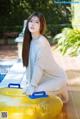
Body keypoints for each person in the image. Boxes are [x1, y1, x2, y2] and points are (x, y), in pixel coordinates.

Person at [21, 12, 69, 103]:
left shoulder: (42, 42)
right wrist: (29, 83)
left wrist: (32, 85)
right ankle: (57, 90)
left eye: (37, 22)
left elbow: (39, 67)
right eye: (31, 21)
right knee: (27, 90)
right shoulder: (30, 41)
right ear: (28, 23)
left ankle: (62, 89)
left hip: (57, 78)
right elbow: (30, 65)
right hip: (44, 78)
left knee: (35, 92)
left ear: (41, 25)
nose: (33, 24)